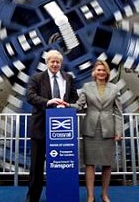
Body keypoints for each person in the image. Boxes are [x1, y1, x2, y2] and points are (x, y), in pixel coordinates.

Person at [25, 49, 79, 202]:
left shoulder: (68, 78)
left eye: (58, 62)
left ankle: (61, 195)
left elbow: (74, 97)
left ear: (61, 63)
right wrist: (48, 102)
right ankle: (32, 198)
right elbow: (30, 96)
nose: (55, 64)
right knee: (36, 166)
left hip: (61, 129)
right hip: (40, 127)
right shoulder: (36, 78)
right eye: (52, 61)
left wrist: (67, 105)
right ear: (47, 62)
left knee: (62, 163)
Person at [71, 60, 123, 202]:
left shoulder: (114, 88)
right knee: (90, 164)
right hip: (90, 129)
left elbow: (118, 112)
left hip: (108, 130)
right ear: (94, 72)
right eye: (98, 70)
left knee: (107, 164)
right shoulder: (86, 87)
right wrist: (65, 105)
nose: (101, 72)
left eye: (103, 70)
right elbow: (79, 105)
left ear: (107, 73)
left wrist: (119, 131)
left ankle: (104, 194)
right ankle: (90, 195)